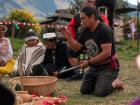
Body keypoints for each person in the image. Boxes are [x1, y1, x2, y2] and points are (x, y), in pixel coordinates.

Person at [61, 7, 121, 97]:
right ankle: (101, 80)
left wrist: (88, 62)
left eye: (83, 18)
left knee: (100, 92)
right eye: (80, 19)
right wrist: (69, 38)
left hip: (108, 67)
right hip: (94, 66)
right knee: (84, 90)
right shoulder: (85, 31)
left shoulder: (105, 30)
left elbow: (106, 53)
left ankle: (116, 82)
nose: (81, 21)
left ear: (92, 17)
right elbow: (77, 47)